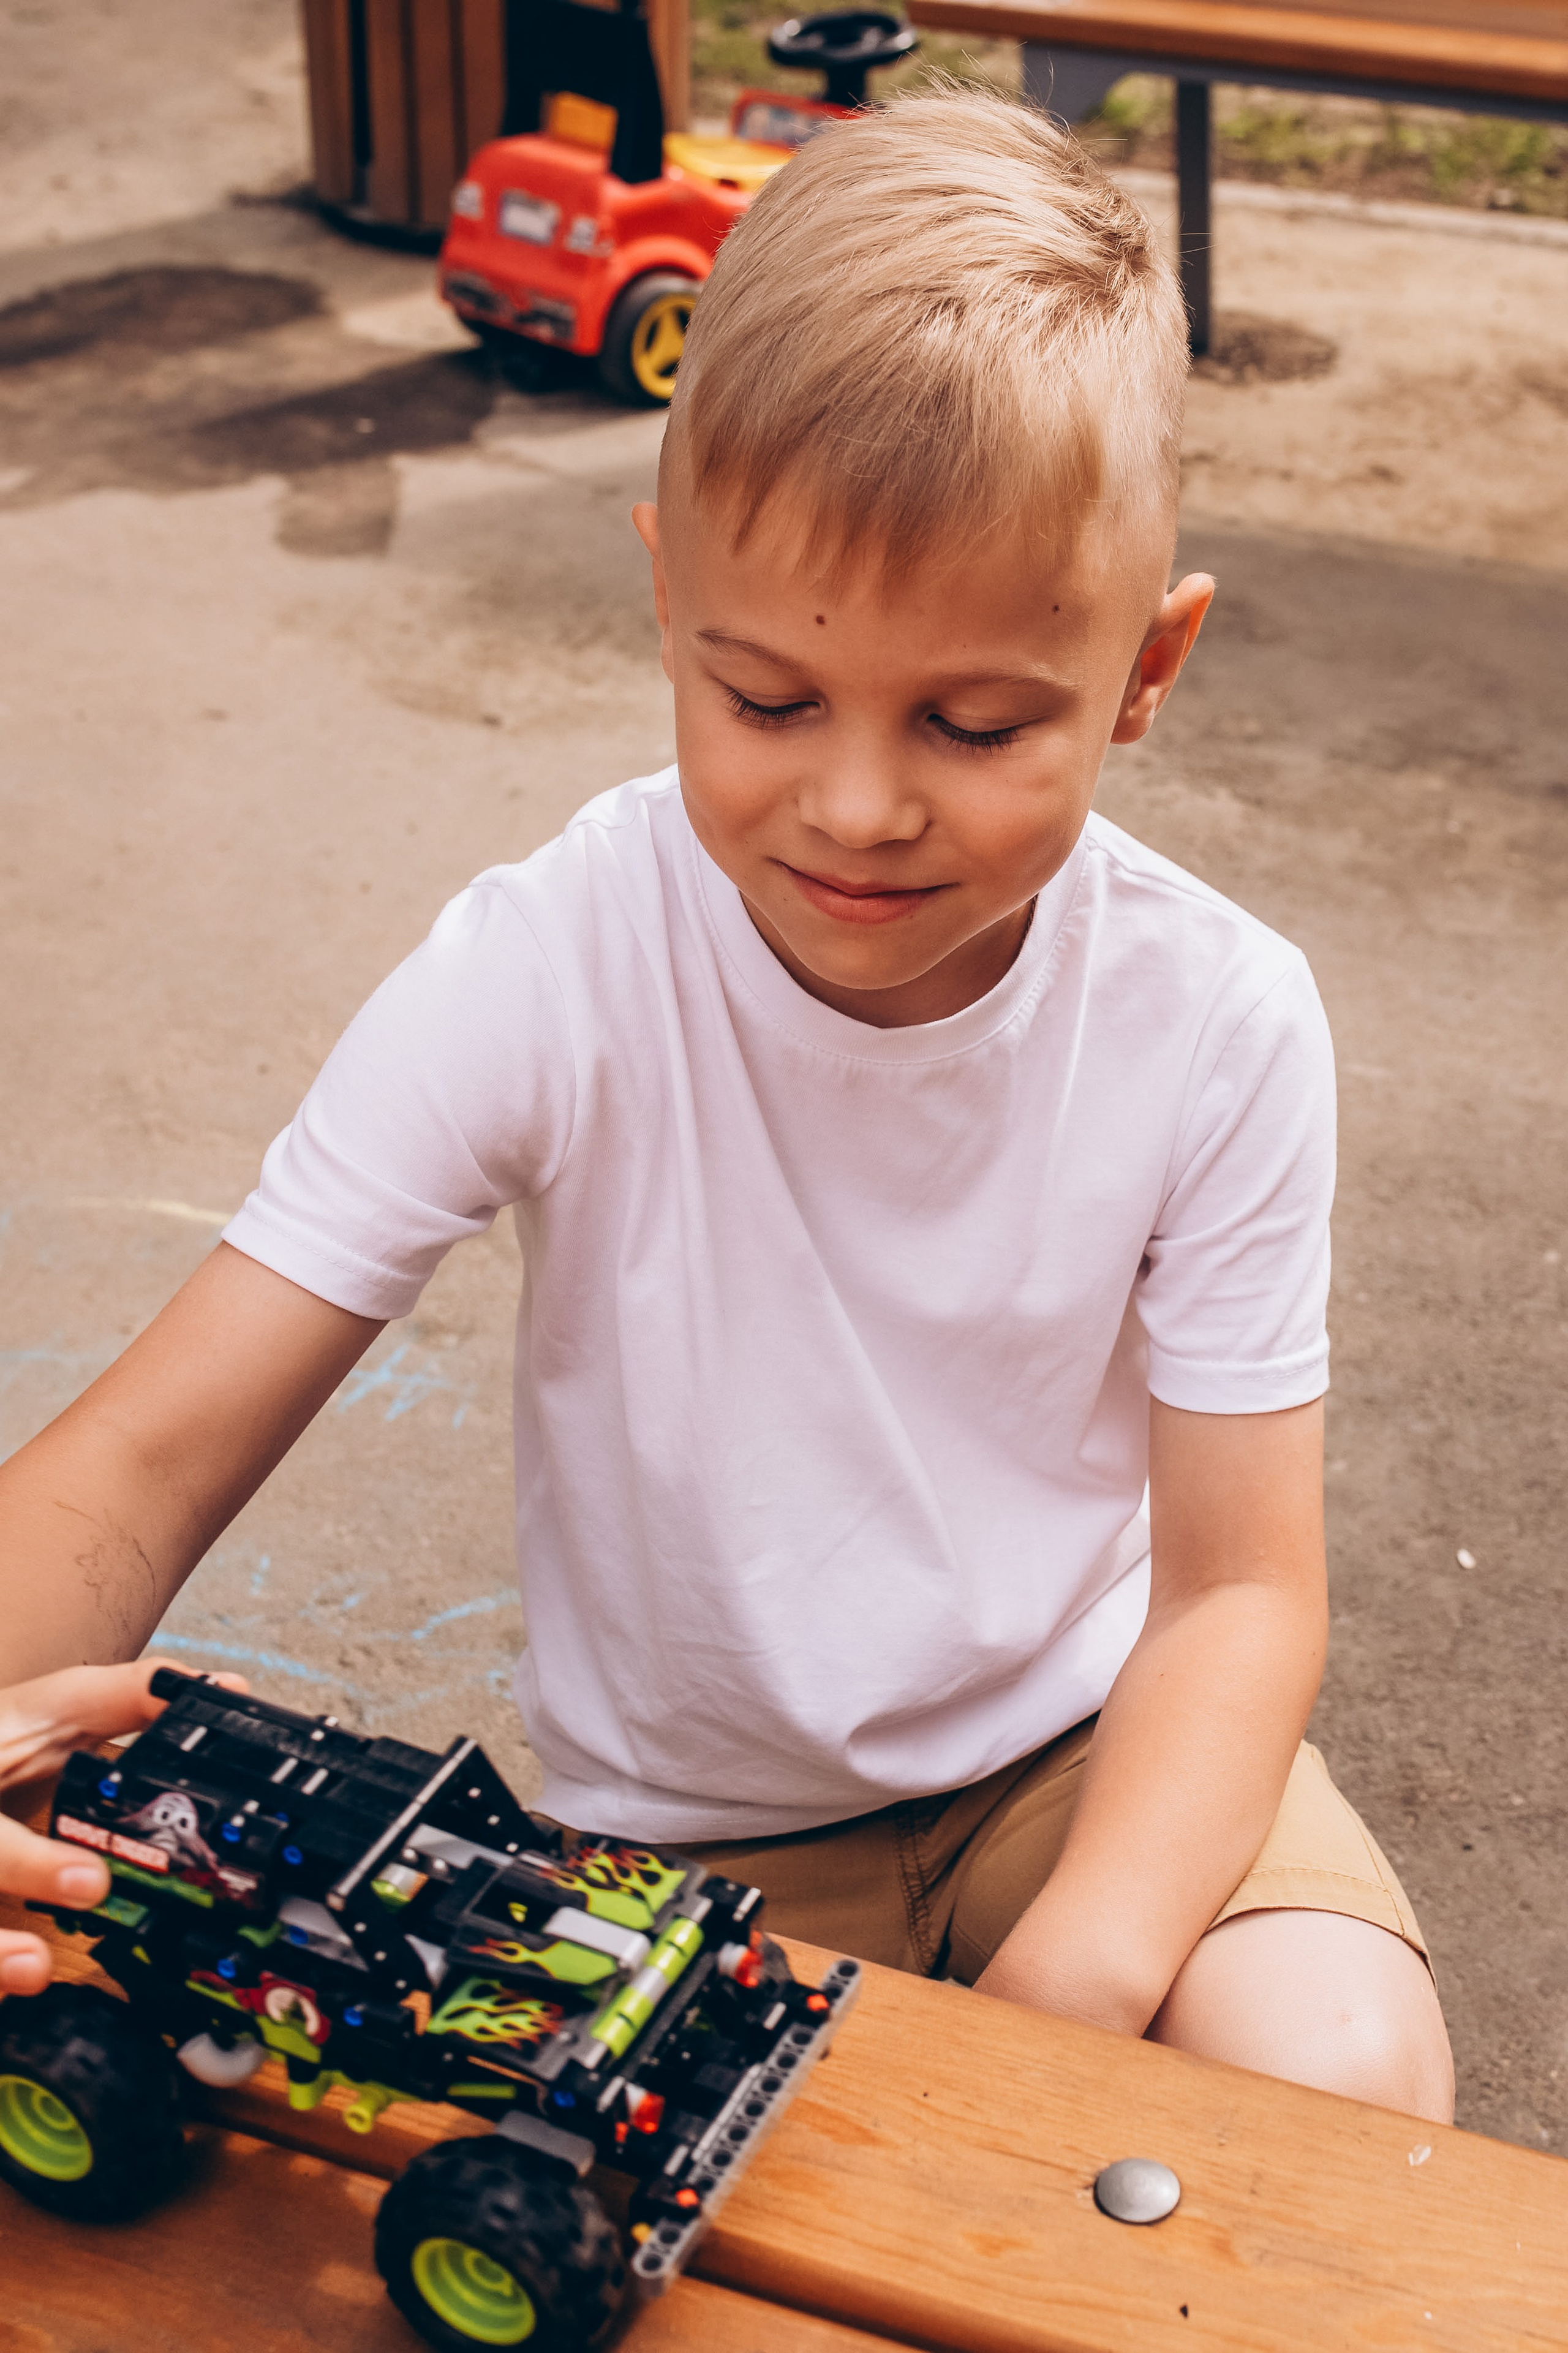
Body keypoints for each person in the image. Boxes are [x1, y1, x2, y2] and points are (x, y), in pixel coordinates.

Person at [0, 90, 1452, 2119]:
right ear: (659, 583)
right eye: (762, 696)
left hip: (1082, 1762)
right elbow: (143, 1461)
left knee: (1338, 2072)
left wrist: (1081, 1977)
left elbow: (1235, 1592)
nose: (856, 803)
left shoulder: (1217, 1016)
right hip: (695, 1840)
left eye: (977, 720)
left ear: (1146, 665)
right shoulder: (555, 961)